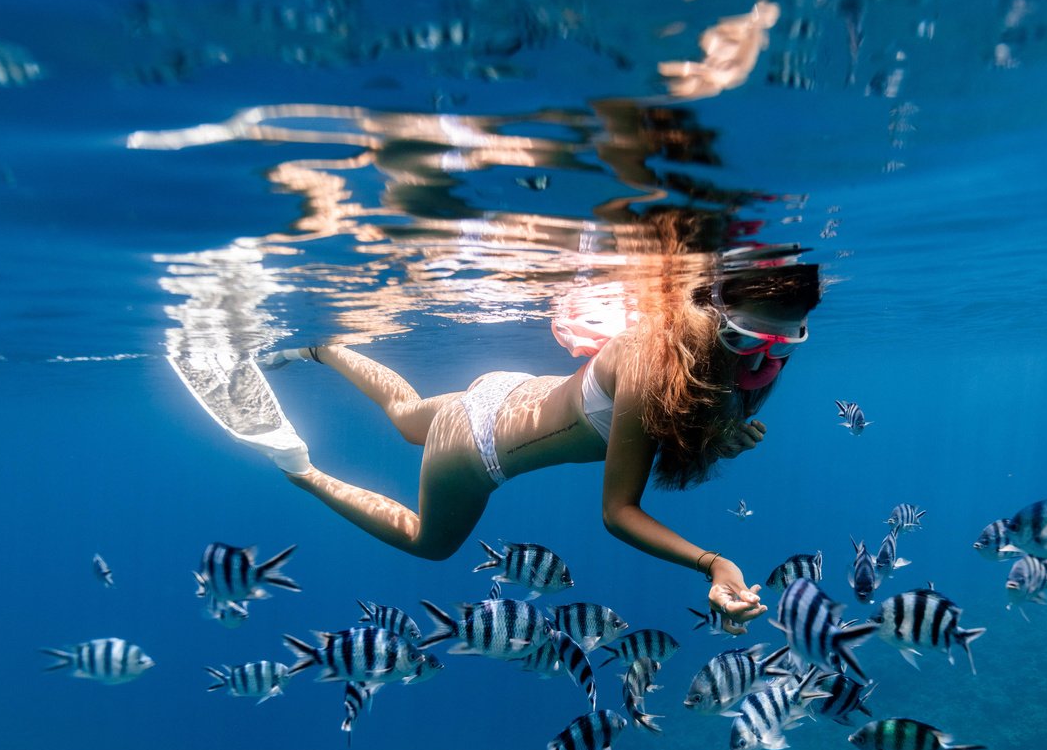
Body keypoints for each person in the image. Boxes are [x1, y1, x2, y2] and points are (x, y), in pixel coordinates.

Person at [253, 245, 820, 634]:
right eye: (746, 339)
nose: (765, 358)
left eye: (785, 343)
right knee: (430, 543)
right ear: (711, 310)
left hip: (505, 394)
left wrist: (716, 434)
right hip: (476, 448)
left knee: (404, 417)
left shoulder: (720, 352)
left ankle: (323, 349)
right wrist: (713, 563)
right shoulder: (654, 360)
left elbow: (675, 416)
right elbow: (618, 512)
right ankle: (300, 469)